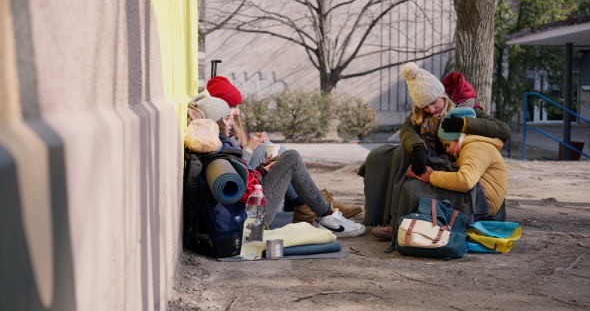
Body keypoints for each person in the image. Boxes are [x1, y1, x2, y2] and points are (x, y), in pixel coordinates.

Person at [359, 62, 511, 239]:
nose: (431, 110)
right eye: (425, 106)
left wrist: (465, 123)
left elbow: (503, 130)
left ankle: (402, 223)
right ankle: (387, 219)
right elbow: (407, 129)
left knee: (414, 183)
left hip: (458, 165)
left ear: (443, 95)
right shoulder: (422, 113)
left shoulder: (467, 109)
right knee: (383, 155)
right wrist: (417, 147)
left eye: (433, 102)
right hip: (435, 160)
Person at [190, 92, 366, 237]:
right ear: (216, 121)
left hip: (246, 213)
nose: (231, 122)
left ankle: (322, 215)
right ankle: (327, 217)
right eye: (226, 118)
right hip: (250, 222)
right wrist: (254, 160)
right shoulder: (221, 146)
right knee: (292, 158)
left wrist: (262, 170)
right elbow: (240, 188)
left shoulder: (214, 143)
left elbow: (241, 184)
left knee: (287, 156)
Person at [406, 107, 508, 219]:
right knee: (425, 191)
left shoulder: (475, 147)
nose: (448, 150)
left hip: (484, 203)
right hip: (479, 196)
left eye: (448, 145)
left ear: (458, 138)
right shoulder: (468, 147)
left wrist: (431, 177)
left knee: (422, 193)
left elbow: (465, 181)